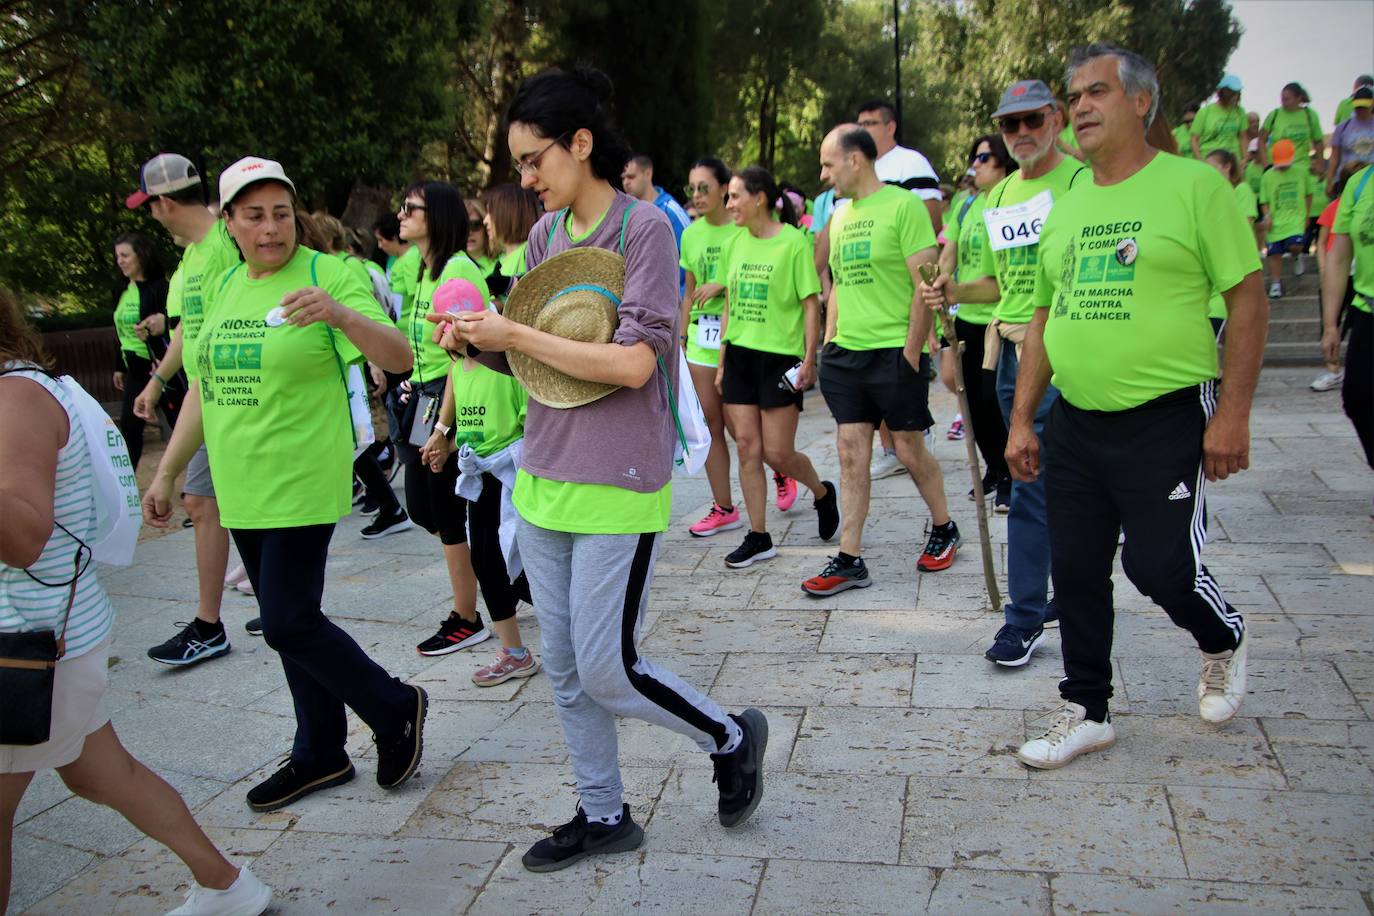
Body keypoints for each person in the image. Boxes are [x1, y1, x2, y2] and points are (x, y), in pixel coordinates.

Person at [434, 66, 767, 872]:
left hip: (618, 478)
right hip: (545, 475)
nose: (526, 179)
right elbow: (549, 372)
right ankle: (603, 811)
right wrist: (481, 347)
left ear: (580, 145)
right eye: (517, 165)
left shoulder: (645, 230)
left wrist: (512, 338)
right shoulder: (544, 240)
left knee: (609, 667)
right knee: (563, 667)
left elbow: (630, 368)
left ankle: (727, 735)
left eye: (533, 159)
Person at [143, 156, 429, 809]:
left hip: (300, 475)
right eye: (254, 216)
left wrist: (339, 316)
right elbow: (204, 393)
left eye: (280, 213)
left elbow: (400, 355)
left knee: (286, 621)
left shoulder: (330, 273)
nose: (271, 229)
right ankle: (321, 752)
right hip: (240, 485)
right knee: (289, 621)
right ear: (230, 224)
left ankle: (394, 706)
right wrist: (165, 472)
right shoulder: (222, 288)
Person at [1009, 43, 1266, 770]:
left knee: (1161, 568)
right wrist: (1024, 418)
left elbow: (1247, 300)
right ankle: (1086, 708)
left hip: (1166, 414)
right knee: (1078, 570)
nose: (1080, 107)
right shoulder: (1066, 205)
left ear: (1141, 103)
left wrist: (1233, 413)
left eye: (1097, 92)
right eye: (1074, 95)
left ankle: (1222, 639)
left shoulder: (1194, 187)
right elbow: (1043, 319)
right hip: (1079, 419)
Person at [0, 291, 274, 916]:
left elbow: (21, 535)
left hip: (28, 650)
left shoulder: (14, 398)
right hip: (49, 645)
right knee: (102, 773)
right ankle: (229, 885)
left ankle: (230, 886)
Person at [921, 79, 1089, 667]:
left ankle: (1025, 615)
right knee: (1031, 486)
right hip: (1008, 351)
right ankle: (1042, 604)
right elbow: (998, 284)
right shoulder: (998, 197)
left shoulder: (1082, 181)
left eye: (1032, 121)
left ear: (1057, 119)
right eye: (1010, 124)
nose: (1021, 133)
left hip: (1065, 351)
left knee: (1036, 489)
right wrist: (952, 291)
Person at [805, 123, 956, 597]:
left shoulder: (905, 206)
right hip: (847, 355)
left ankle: (944, 525)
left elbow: (925, 284)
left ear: (856, 159)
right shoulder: (842, 214)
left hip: (894, 353)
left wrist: (912, 352)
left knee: (909, 450)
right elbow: (835, 282)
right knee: (852, 455)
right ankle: (850, 559)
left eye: (829, 163)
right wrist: (829, 343)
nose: (824, 174)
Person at [126, 153, 243, 663]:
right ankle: (211, 622)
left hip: (231, 399)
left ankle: (220, 621)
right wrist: (155, 384)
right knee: (205, 503)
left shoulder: (225, 244)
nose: (150, 215)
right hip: (204, 397)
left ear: (164, 202)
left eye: (150, 206)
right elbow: (185, 334)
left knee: (215, 504)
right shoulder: (191, 258)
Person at [715, 166, 837, 568]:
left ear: (760, 198)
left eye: (734, 196)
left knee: (778, 452)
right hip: (739, 356)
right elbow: (730, 303)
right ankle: (759, 535)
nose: (729, 203)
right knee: (748, 447)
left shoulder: (793, 243)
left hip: (780, 359)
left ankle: (821, 492)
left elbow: (809, 302)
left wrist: (809, 358)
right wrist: (721, 362)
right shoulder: (734, 243)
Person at [394, 181, 492, 658]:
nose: (401, 214)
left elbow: (464, 355)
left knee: (447, 512)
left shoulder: (457, 270)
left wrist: (445, 428)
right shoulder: (420, 268)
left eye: (410, 208)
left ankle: (467, 617)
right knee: (422, 507)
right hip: (422, 396)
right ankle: (493, 575)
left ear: (437, 216)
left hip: (445, 401)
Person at [424, 292, 539, 687]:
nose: (443, 333)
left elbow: (529, 425)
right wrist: (445, 442)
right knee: (486, 559)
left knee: (527, 562)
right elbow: (467, 426)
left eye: (450, 323)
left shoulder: (507, 366)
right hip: (480, 475)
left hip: (515, 475)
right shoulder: (458, 370)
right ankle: (515, 652)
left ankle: (583, 632)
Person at [857, 97, 945, 478]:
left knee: (904, 367)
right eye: (859, 123)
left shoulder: (911, 164)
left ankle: (912, 437)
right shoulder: (861, 169)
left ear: (891, 126)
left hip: (905, 281)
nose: (864, 130)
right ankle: (891, 447)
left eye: (871, 123)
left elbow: (931, 218)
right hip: (869, 290)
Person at [932, 134, 1016, 515]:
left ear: (1003, 161)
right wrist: (940, 282)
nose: (975, 165)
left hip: (995, 321)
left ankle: (1010, 475)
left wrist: (957, 290)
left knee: (992, 400)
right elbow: (949, 250)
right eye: (974, 158)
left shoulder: (1011, 201)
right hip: (964, 317)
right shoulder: (966, 205)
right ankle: (994, 469)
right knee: (971, 404)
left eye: (984, 158)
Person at [679, 157, 748, 537]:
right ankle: (723, 506)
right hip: (701, 341)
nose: (697, 195)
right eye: (693, 188)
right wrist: (683, 333)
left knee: (744, 428)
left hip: (738, 337)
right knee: (710, 424)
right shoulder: (691, 234)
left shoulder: (742, 231)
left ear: (725, 188)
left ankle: (780, 467)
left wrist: (723, 285)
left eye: (704, 187)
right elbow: (688, 290)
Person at [1321, 162, 1374, 500]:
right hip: (1367, 310)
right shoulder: (1360, 182)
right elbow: (1338, 259)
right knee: (1357, 397)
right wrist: (1330, 324)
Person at [110, 232, 174, 469]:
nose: (121, 261)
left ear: (142, 256)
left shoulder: (160, 288)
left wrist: (158, 326)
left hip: (161, 366)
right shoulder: (121, 290)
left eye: (125, 255)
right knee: (129, 425)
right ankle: (127, 484)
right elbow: (120, 330)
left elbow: (176, 326)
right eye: (118, 256)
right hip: (135, 368)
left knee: (178, 423)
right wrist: (119, 366)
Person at [1311, 166, 1359, 392]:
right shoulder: (1334, 208)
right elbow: (1321, 242)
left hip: (1360, 276)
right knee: (1331, 322)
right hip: (1336, 273)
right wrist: (1323, 268)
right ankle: (1333, 370)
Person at [1204, 149, 1260, 338]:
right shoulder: (1212, 195)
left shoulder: (1241, 190)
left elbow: (1244, 226)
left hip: (1234, 268)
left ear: (1227, 167)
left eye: (1212, 168)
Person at [1258, 138, 1313, 299]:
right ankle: (1275, 284)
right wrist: (1267, 216)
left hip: (1295, 219)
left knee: (1296, 245)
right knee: (1274, 253)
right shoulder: (1267, 176)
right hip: (1275, 222)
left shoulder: (1301, 172)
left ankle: (1297, 256)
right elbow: (1264, 200)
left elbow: (1308, 194)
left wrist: (1307, 214)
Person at [481, 182, 542, 304]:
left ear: (510, 212)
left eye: (491, 212)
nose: (485, 221)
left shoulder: (529, 251)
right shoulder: (501, 260)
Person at [1259, 83, 1324, 176]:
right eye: (1282, 99)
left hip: (1302, 167)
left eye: (1287, 99)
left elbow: (1318, 142)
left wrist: (1320, 165)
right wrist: (1266, 165)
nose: (1283, 102)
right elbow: (1261, 139)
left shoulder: (1310, 115)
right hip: (1278, 167)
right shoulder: (1274, 115)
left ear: (1298, 98)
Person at [1327, 87, 1374, 198]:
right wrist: (1329, 181)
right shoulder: (1343, 127)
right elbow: (1334, 157)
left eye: (1364, 107)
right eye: (1357, 106)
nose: (1360, 110)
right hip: (1347, 179)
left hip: (1371, 178)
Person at [1190, 74, 1247, 162]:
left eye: (1237, 93)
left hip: (1233, 161)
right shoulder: (1205, 112)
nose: (1235, 96)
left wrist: (1245, 158)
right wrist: (1200, 160)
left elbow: (1243, 137)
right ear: (1223, 92)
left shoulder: (1240, 112)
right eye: (1231, 93)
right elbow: (1194, 139)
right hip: (1210, 159)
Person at [465, 197, 497, 279]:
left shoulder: (503, 261)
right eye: (464, 226)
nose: (469, 232)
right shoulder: (449, 266)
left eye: (475, 225)